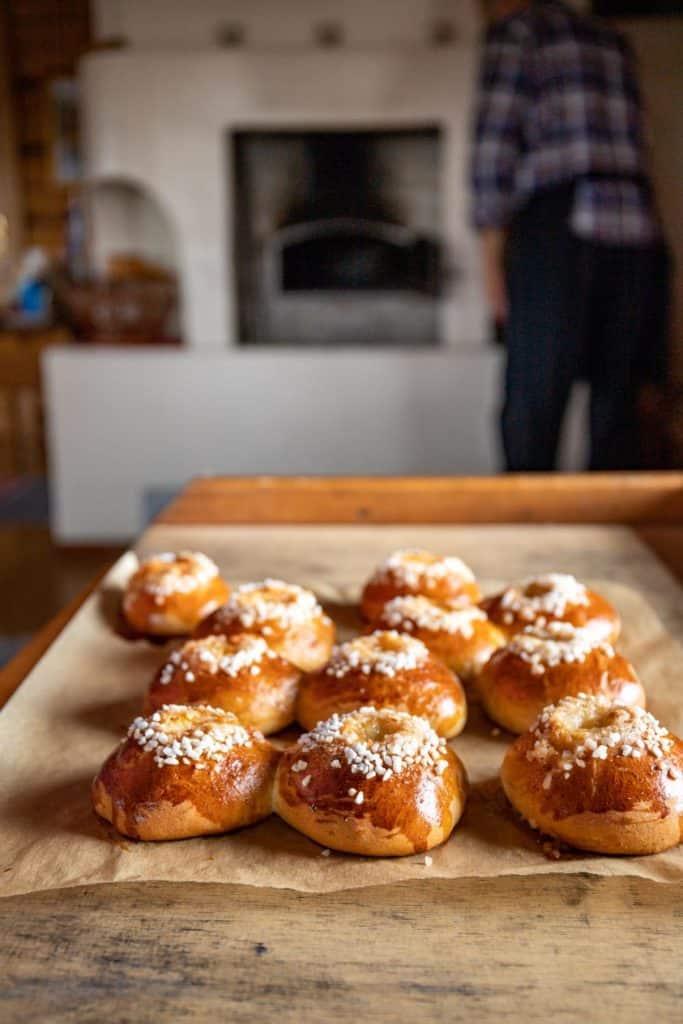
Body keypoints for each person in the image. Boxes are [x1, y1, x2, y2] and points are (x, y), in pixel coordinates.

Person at [471, 0, 670, 471]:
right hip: (638, 228)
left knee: (534, 400)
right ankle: (613, 529)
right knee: (618, 402)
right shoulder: (609, 35)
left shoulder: (518, 32)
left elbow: (492, 148)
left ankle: (524, 524)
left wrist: (490, 261)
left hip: (561, 224)